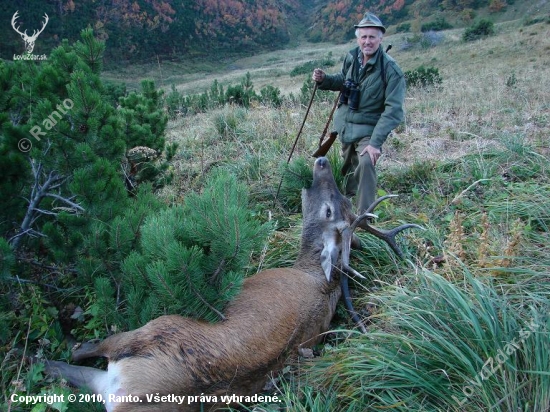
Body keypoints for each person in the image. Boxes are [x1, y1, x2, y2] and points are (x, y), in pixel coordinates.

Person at [312, 12, 406, 213]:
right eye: (363, 37)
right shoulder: (352, 57)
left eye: (372, 37)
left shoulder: (390, 70)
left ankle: (364, 218)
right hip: (346, 126)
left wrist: (375, 143)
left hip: (369, 129)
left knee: (365, 162)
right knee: (347, 168)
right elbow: (342, 80)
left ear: (381, 39)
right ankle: (346, 207)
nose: (367, 41)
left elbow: (394, 110)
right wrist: (324, 80)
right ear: (358, 38)